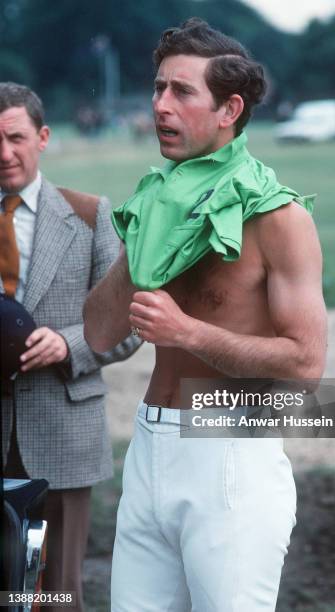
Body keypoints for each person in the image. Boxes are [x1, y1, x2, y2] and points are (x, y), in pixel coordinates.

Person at [84, 18, 327, 611]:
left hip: (231, 455)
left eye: (182, 92)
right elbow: (98, 332)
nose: (160, 106)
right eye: (159, 88)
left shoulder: (280, 218)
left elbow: (306, 363)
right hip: (147, 447)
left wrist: (187, 331)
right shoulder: (155, 201)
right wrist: (146, 236)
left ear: (229, 109)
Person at [0, 82, 141, 611]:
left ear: (43, 137)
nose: (4, 154)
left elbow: (129, 322)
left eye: (15, 138)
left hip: (63, 434)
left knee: (56, 593)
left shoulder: (89, 216)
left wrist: (68, 344)